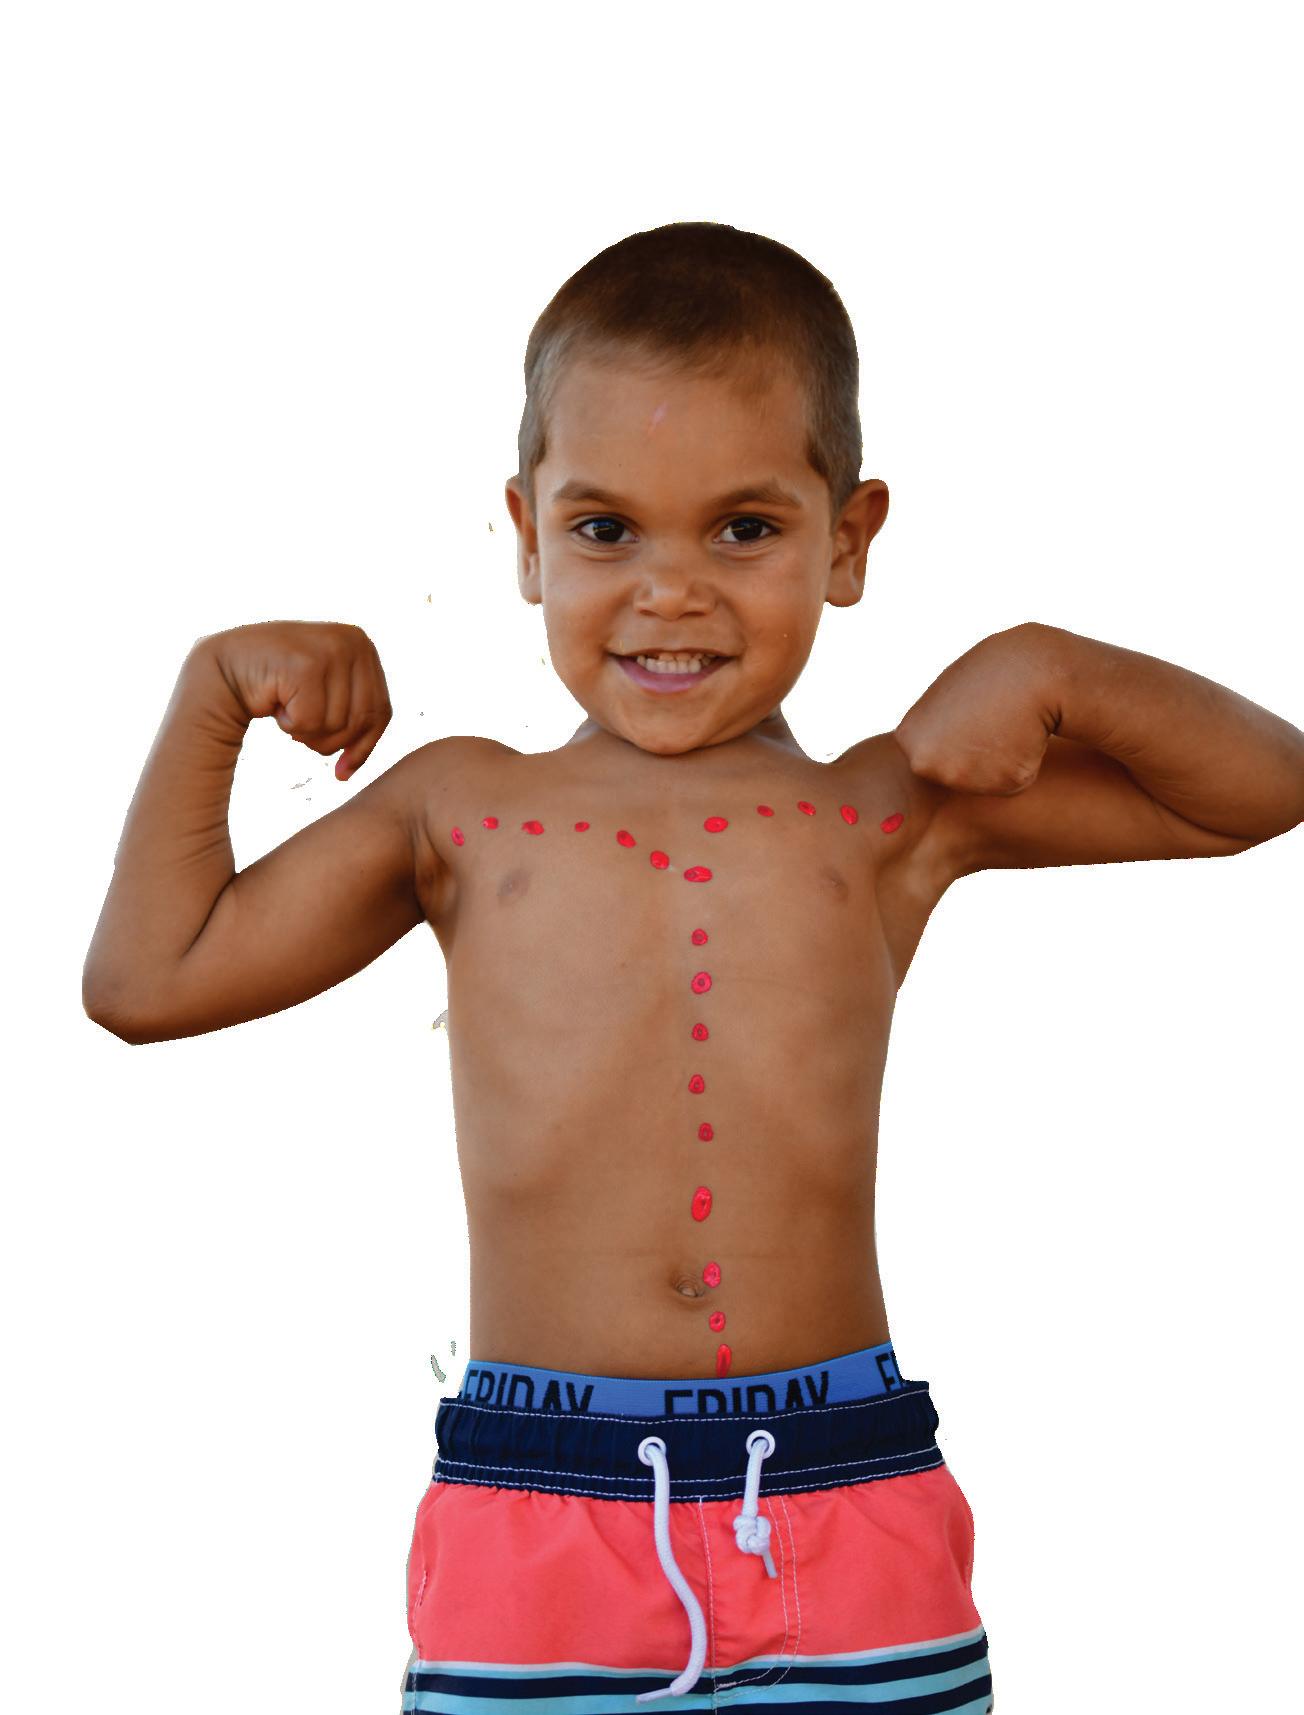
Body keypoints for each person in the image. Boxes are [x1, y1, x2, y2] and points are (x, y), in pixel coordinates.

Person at [82, 222, 1304, 1713]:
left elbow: (1259, 793)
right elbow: (150, 981)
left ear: (846, 540)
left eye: (743, 530)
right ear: (525, 536)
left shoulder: (886, 813)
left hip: (847, 1488)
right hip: (541, 1503)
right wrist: (212, 693)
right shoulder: (461, 810)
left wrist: (1060, 666)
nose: (672, 592)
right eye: (606, 531)